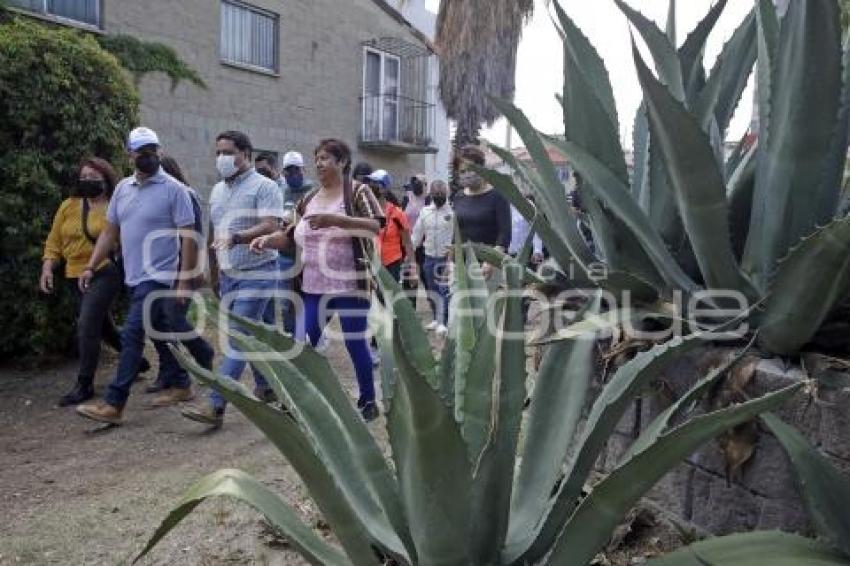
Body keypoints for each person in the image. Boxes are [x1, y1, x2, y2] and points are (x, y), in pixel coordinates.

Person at [75, 127, 214, 425]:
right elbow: (110, 232)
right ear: (130, 154)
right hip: (134, 274)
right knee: (161, 328)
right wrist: (91, 265)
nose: (147, 155)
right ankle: (187, 375)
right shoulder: (123, 190)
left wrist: (184, 280)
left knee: (132, 333)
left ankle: (114, 403)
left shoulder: (175, 190)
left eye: (152, 149)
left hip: (160, 275)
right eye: (141, 150)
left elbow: (188, 238)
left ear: (159, 151)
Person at [250, 138, 385, 422]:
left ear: (342, 162)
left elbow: (376, 225)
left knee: (354, 342)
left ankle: (368, 401)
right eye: (317, 158)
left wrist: (337, 220)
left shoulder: (357, 192)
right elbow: (289, 235)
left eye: (325, 158)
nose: (319, 163)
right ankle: (296, 401)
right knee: (300, 342)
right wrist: (265, 240)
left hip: (350, 284)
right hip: (313, 287)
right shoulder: (308, 199)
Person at [180, 131, 284, 429]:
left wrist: (239, 238)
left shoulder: (264, 187)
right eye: (218, 153)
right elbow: (215, 233)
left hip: (259, 272)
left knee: (238, 337)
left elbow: (271, 225)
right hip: (228, 276)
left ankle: (216, 404)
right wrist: (214, 273)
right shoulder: (216, 191)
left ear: (246, 154)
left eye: (228, 152)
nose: (222, 159)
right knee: (257, 334)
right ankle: (268, 386)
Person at [41, 157, 150, 406]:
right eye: (84, 177)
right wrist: (48, 266)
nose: (88, 182)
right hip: (73, 274)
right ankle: (136, 360)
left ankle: (84, 384)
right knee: (104, 327)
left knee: (87, 324)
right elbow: (54, 240)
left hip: (104, 271)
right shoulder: (68, 206)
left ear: (106, 178)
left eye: (94, 177)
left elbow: (128, 239)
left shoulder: (115, 205)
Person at [143, 155, 207, 394]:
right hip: (159, 269)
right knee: (154, 322)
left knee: (172, 318)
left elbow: (196, 236)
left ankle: (201, 354)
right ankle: (168, 370)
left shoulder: (186, 196)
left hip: (182, 267)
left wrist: (196, 268)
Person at [452, 144, 512, 278]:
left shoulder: (498, 196)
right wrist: (451, 261)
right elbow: (456, 233)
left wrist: (490, 261)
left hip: (489, 267)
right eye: (462, 172)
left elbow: (505, 235)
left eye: (470, 169)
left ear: (482, 168)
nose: (467, 175)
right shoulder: (459, 197)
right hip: (462, 266)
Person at [411, 180, 454, 336]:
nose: (439, 197)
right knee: (431, 290)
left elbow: (456, 237)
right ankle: (437, 318)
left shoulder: (452, 212)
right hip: (428, 257)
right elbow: (417, 234)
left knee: (444, 290)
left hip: (445, 258)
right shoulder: (425, 212)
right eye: (436, 194)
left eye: (441, 194)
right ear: (431, 194)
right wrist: (409, 251)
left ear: (447, 194)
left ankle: (444, 322)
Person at [368, 170, 414, 282]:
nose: (370, 186)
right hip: (370, 264)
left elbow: (407, 243)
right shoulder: (365, 210)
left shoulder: (396, 213)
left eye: (375, 183)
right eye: (370, 182)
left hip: (391, 265)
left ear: (384, 188)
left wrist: (413, 271)